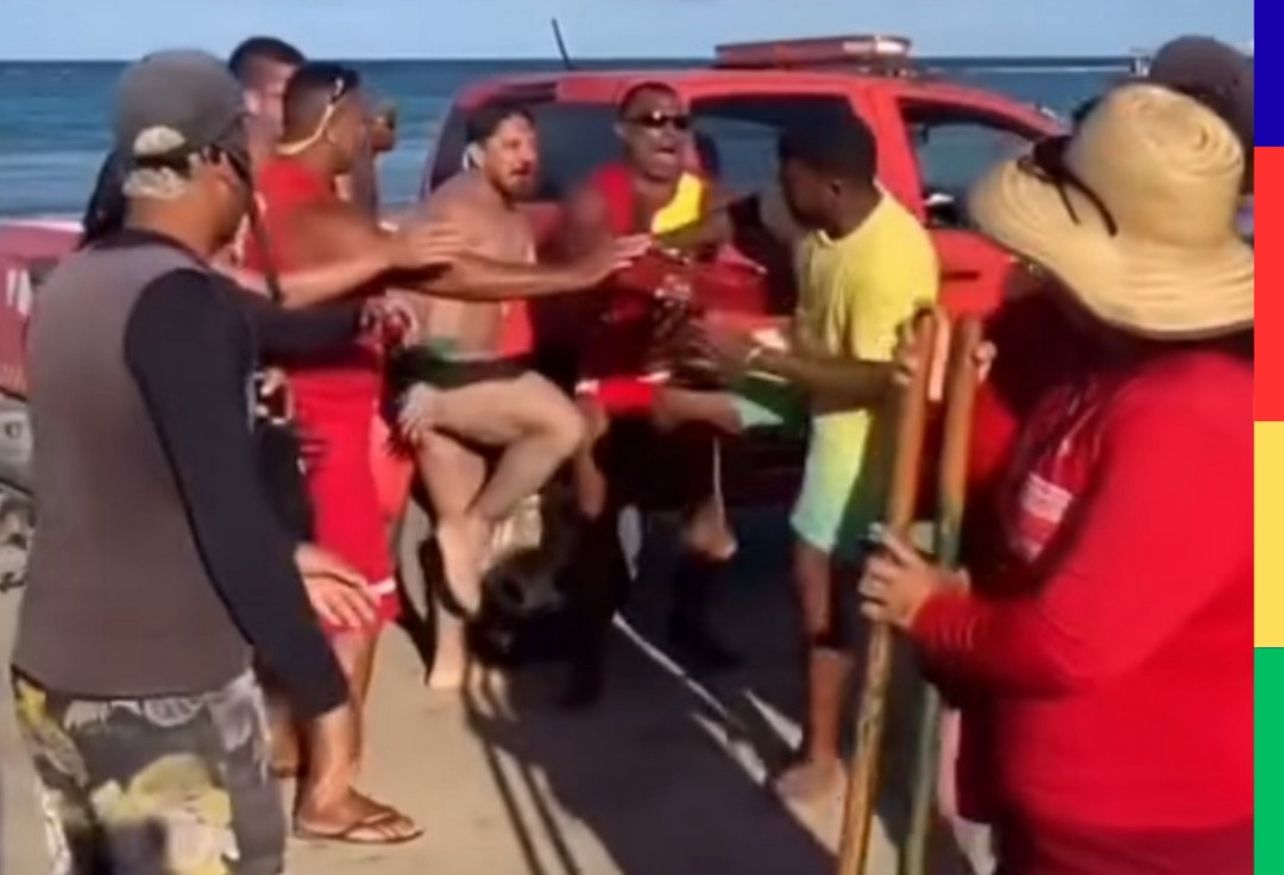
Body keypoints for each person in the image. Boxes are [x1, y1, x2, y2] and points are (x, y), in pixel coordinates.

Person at [862, 84, 1252, 875]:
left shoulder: (1200, 412)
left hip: (1161, 832)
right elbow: (1014, 507)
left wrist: (933, 610)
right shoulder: (1093, 359)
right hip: (1067, 815)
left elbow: (1074, 644)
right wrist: (943, 403)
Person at [12, 50, 380, 873]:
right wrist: (323, 692)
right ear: (221, 162)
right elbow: (228, 516)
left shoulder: (74, 281)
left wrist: (288, 551)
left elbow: (139, 471)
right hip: (160, 685)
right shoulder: (183, 303)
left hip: (52, 670)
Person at [656, 116, 939, 799]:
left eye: (789, 180)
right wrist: (661, 248)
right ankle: (708, 525)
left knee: (815, 573)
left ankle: (822, 752)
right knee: (673, 397)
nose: (777, 191)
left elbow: (877, 380)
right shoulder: (816, 210)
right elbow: (750, 212)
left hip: (863, 415)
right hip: (809, 371)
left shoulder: (890, 260)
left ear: (831, 185)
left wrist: (754, 360)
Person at [393, 99, 646, 689]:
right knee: (560, 426)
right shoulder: (458, 206)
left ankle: (447, 663)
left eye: (531, 146)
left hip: (460, 376)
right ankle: (481, 526)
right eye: (511, 146)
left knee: (454, 538)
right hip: (445, 377)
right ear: (476, 153)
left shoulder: (502, 211)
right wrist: (575, 273)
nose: (527, 157)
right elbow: (439, 275)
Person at [555, 81, 742, 705]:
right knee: (596, 520)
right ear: (623, 130)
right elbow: (572, 299)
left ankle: (689, 628)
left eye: (679, 122)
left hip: (681, 378)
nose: (668, 133)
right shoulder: (592, 201)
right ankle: (586, 658)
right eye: (652, 120)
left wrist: (702, 296)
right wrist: (632, 288)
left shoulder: (708, 198)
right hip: (610, 376)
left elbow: (747, 261)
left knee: (707, 519)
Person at [228, 36, 306, 167]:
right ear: (249, 101)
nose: (301, 106)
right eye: (286, 96)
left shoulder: (308, 170)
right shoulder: (208, 171)